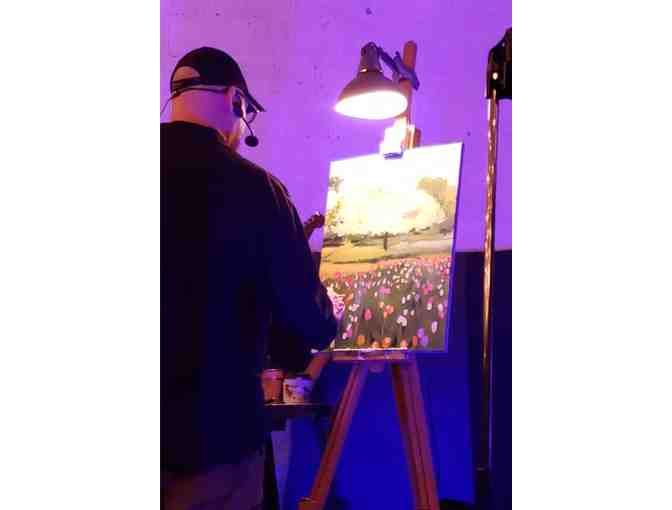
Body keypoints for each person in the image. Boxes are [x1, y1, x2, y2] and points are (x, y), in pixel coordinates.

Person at [161, 47, 337, 510]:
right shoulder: (259, 190)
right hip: (213, 446)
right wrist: (329, 310)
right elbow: (311, 323)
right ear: (235, 99)